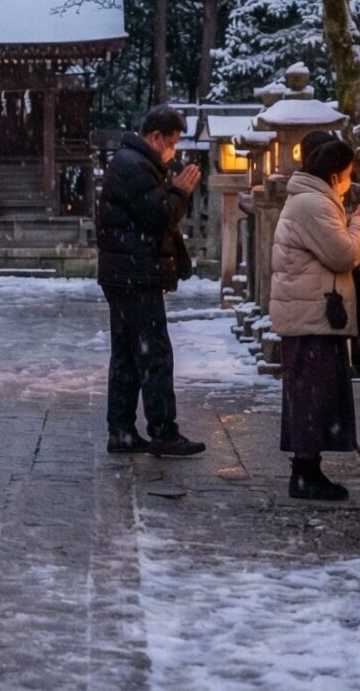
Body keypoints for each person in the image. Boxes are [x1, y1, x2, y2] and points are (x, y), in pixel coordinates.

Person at [271, 134, 360, 501]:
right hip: (310, 314)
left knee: (314, 394)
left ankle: (308, 469)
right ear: (334, 176)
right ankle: (304, 473)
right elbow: (343, 253)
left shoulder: (312, 201)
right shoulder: (314, 205)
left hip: (312, 311)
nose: (349, 182)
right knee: (310, 395)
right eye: (348, 174)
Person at [94, 106, 206, 457]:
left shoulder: (133, 163)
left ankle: (122, 430)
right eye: (171, 143)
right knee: (153, 353)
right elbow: (159, 217)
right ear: (156, 137)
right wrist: (180, 193)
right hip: (134, 274)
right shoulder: (134, 166)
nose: (173, 150)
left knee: (128, 353)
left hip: (126, 273)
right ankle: (162, 429)